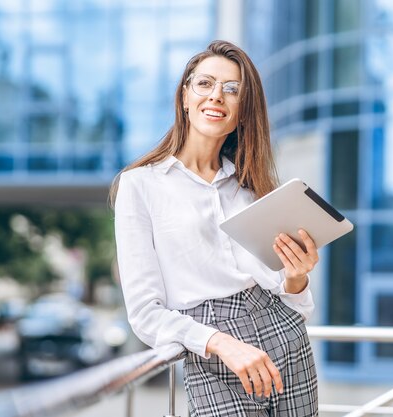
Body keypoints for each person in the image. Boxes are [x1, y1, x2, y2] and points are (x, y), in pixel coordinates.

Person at [111, 40, 319, 416]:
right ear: (185, 97)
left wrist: (296, 278)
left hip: (285, 336)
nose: (216, 96)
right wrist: (221, 342)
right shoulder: (139, 185)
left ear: (243, 111)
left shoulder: (252, 189)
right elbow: (144, 313)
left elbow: (295, 305)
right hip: (209, 348)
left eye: (232, 89)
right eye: (204, 84)